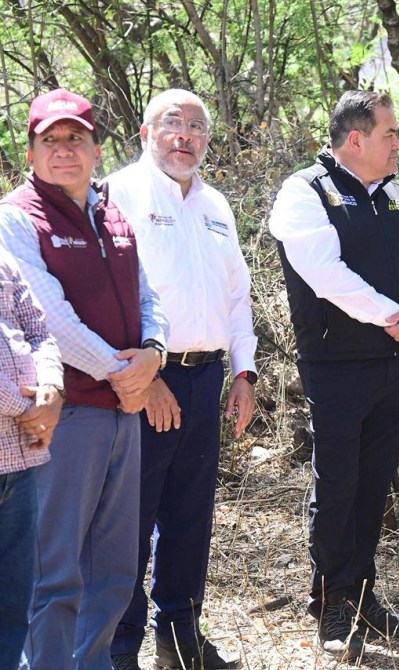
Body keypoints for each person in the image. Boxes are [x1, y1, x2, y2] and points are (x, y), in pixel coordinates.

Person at [268, 90, 399, 661]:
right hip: (336, 365)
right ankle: (330, 600)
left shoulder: (394, 193)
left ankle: (363, 591)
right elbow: (323, 272)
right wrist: (396, 318)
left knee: (375, 485)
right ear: (356, 140)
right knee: (338, 484)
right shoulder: (304, 193)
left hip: (395, 365)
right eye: (391, 135)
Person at [0, 88, 168, 670]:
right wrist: (126, 375)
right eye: (51, 140)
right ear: (31, 151)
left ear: (98, 148)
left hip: (122, 411)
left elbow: (148, 295)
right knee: (54, 575)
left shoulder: (111, 210)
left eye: (76, 138)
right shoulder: (18, 216)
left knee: (116, 571)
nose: (64, 150)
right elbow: (46, 316)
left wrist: (154, 351)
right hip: (63, 416)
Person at [105, 89, 257, 670]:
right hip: (143, 381)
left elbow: (237, 296)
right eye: (173, 124)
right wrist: (144, 377)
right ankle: (119, 646)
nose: (184, 136)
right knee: (129, 519)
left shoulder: (217, 206)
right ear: (146, 132)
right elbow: (113, 299)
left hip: (207, 377)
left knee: (191, 514)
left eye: (196, 127)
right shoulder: (119, 193)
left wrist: (242, 372)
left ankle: (181, 636)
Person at [0, 245, 63, 670]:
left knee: (12, 605)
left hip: (20, 462)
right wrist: (30, 410)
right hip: (25, 428)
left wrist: (53, 388)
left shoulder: (3, 257)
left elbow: (40, 330)